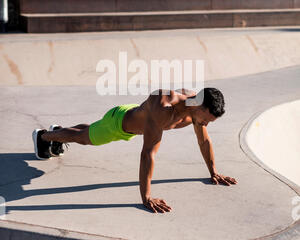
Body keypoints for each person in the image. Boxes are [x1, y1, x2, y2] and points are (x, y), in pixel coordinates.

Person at [32, 87, 237, 213]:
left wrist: (214, 173)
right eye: (207, 120)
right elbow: (148, 153)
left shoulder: (195, 104)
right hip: (118, 123)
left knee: (85, 131)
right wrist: (146, 198)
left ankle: (56, 132)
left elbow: (204, 142)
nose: (206, 125)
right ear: (199, 107)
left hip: (138, 118)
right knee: (83, 138)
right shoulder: (164, 107)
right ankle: (43, 137)